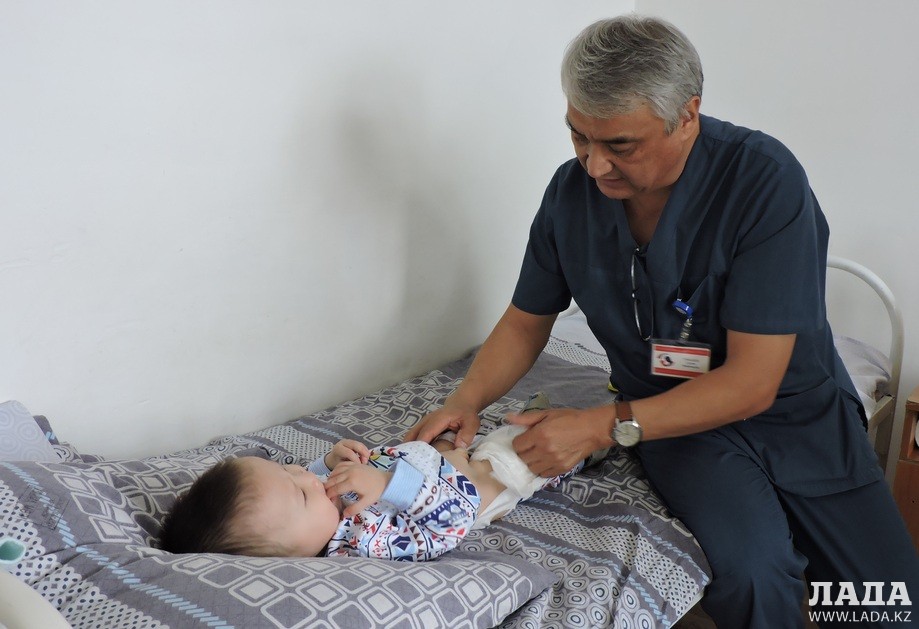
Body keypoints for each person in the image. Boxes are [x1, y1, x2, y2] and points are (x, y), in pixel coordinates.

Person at [405, 14, 919, 627]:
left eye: (621, 145)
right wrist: (465, 400)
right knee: (756, 574)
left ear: (687, 115)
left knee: (888, 598)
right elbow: (525, 320)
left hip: (797, 415)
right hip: (674, 419)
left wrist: (599, 426)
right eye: (578, 136)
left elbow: (754, 382)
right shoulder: (570, 196)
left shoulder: (763, 182)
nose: (594, 165)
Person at [159, 395, 574, 561]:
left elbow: (311, 481)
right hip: (468, 493)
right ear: (293, 558)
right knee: (516, 452)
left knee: (446, 439)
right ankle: (576, 446)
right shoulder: (360, 544)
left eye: (288, 470)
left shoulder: (317, 513)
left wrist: (328, 463)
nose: (305, 475)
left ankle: (499, 431)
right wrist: (388, 484)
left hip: (430, 463)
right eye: (301, 493)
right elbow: (447, 527)